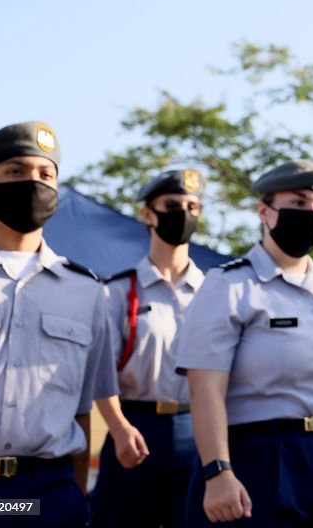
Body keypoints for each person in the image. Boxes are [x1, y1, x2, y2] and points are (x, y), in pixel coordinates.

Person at [175, 160, 313, 527]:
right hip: (262, 459)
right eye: (298, 202)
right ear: (265, 212)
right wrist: (217, 471)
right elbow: (205, 389)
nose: (311, 212)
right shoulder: (228, 286)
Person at [0, 121, 118, 527]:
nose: (33, 183)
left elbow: (82, 410)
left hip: (50, 492)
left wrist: (75, 500)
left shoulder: (87, 290)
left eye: (46, 175)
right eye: (16, 172)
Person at [89, 169, 209, 527]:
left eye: (192, 206)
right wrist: (119, 426)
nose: (183, 213)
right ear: (147, 213)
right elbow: (99, 371)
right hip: (134, 428)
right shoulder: (116, 291)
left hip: (197, 428)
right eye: (172, 205)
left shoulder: (215, 292)